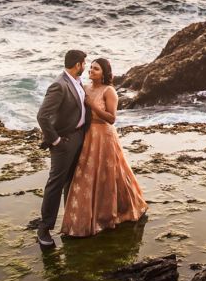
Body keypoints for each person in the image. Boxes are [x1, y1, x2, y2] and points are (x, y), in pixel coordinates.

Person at [60, 57, 148, 237]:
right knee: (86, 175)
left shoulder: (109, 91)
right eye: (91, 67)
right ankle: (85, 217)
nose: (91, 71)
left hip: (104, 135)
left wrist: (92, 105)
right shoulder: (85, 88)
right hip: (88, 135)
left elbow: (112, 118)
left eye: (96, 69)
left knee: (111, 173)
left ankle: (116, 211)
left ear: (104, 73)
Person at [36, 49, 90, 247]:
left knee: (71, 181)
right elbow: (42, 116)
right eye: (84, 63)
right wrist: (56, 141)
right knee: (56, 183)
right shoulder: (59, 85)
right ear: (78, 65)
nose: (85, 66)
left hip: (79, 136)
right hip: (64, 141)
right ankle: (44, 229)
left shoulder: (77, 81)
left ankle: (70, 222)